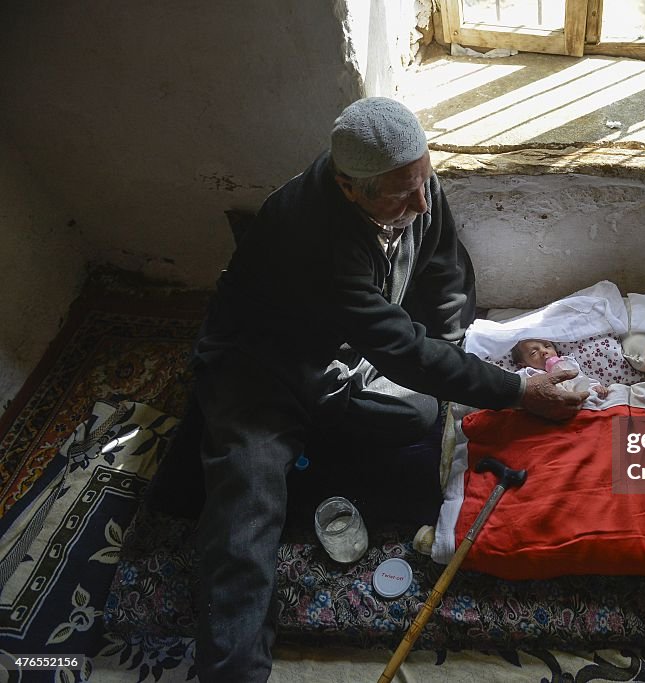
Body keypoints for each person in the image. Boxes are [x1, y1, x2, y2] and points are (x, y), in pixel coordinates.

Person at [174, 97, 587, 682]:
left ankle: (307, 455)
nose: (422, 204)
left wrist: (448, 359)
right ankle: (233, 672)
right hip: (259, 372)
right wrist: (518, 390)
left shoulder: (411, 180)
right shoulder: (307, 236)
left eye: (425, 182)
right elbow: (399, 349)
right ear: (348, 187)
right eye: (403, 195)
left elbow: (444, 275)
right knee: (243, 515)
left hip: (343, 359)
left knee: (419, 414)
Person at [511, 338, 610, 398]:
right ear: (523, 364)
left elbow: (582, 379)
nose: (544, 351)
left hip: (582, 399)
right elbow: (519, 389)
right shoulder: (528, 372)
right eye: (533, 353)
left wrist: (595, 387)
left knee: (618, 390)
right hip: (552, 405)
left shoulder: (567, 362)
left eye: (547, 346)